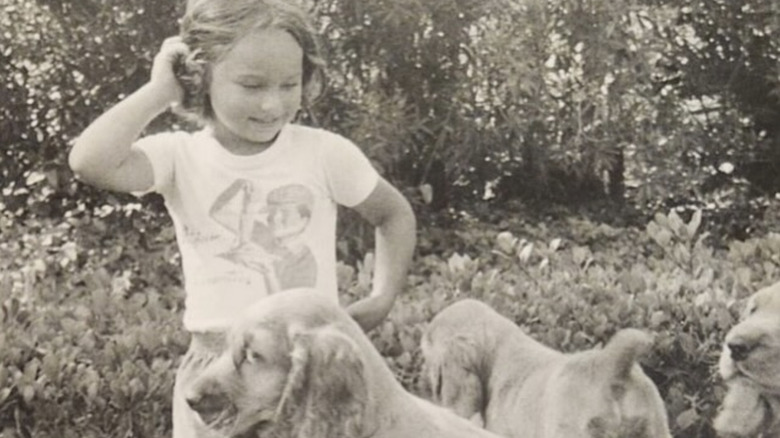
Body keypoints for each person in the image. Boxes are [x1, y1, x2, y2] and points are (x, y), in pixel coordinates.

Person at [67, 0, 417, 436]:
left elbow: (393, 213)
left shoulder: (324, 153)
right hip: (218, 369)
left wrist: (381, 298)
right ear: (201, 77)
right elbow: (89, 160)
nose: (272, 104)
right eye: (251, 85)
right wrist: (160, 91)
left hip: (306, 371)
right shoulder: (181, 157)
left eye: (289, 84)